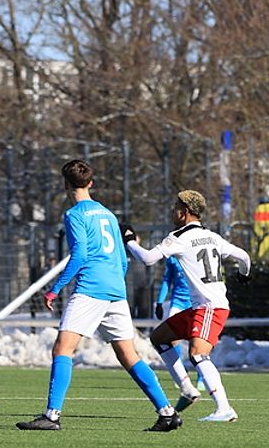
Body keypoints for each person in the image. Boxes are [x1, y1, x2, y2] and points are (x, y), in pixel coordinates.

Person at [16, 160, 181, 432]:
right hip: (115, 289)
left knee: (62, 349)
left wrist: (55, 288)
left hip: (91, 289)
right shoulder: (108, 214)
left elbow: (80, 254)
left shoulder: (74, 215)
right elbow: (123, 258)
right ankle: (167, 412)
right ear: (90, 183)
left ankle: (52, 416)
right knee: (128, 355)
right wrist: (115, 281)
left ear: (65, 184)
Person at [122, 190, 251, 422]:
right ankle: (188, 389)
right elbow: (244, 257)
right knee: (159, 338)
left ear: (185, 212)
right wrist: (244, 275)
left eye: (176, 206)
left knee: (198, 354)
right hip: (202, 307)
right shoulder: (212, 236)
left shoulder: (179, 237)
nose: (173, 211)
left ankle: (224, 408)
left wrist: (130, 240)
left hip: (209, 307)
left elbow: (148, 259)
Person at [155, 256, 205, 389]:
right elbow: (167, 280)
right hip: (178, 303)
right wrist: (159, 302)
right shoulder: (172, 258)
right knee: (169, 339)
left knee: (198, 339)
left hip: (196, 303)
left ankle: (201, 376)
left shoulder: (196, 253)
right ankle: (182, 373)